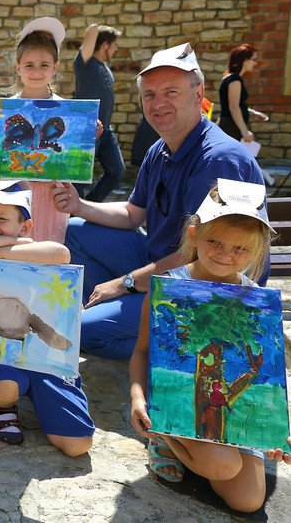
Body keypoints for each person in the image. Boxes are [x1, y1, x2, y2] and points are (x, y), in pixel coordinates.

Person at [51, 43, 265, 360]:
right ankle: (122, 313)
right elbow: (131, 214)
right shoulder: (160, 149)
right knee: (73, 231)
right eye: (149, 95)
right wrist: (77, 206)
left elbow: (203, 258)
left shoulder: (219, 159)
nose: (158, 103)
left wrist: (125, 283)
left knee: (81, 331)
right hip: (163, 260)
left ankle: (189, 348)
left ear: (198, 93)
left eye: (170, 92)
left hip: (210, 285)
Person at [129, 178, 290, 513]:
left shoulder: (256, 302)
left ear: (257, 251)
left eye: (241, 249)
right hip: (185, 410)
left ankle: (207, 455)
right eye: (215, 241)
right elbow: (143, 351)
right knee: (223, 466)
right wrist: (137, 397)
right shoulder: (169, 289)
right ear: (193, 234)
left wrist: (276, 430)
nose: (224, 254)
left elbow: (268, 379)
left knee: (247, 501)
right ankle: (167, 441)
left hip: (223, 407)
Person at [0, 180, 94, 455]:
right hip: (1, 353)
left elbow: (61, 253)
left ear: (25, 228)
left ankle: (44, 395)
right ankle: (1, 406)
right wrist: (0, 242)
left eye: (1, 218)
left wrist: (2, 251)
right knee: (3, 389)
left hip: (45, 359)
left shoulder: (31, 251)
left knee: (77, 445)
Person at [5, 17, 73, 244]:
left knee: (48, 249)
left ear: (56, 67)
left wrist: (92, 134)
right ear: (18, 68)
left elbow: (72, 150)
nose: (36, 71)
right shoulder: (4, 111)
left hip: (53, 196)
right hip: (15, 193)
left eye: (44, 65)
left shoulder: (68, 111)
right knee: (16, 247)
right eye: (29, 65)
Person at [74, 23, 125, 202]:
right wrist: (103, 29)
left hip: (106, 130)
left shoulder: (104, 66)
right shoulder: (85, 64)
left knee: (117, 171)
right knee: (79, 179)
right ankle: (73, 217)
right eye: (114, 44)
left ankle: (89, 205)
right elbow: (92, 30)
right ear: (105, 44)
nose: (116, 49)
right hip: (87, 130)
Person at [218, 44, 269, 143]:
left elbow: (236, 104)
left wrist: (253, 113)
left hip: (231, 126)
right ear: (245, 60)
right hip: (231, 127)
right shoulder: (234, 79)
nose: (255, 63)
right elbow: (233, 106)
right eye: (253, 59)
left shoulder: (231, 78)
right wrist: (244, 131)